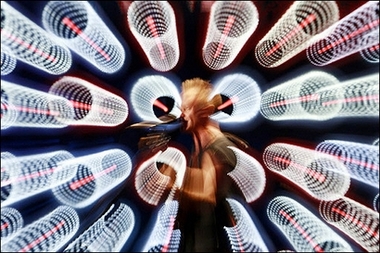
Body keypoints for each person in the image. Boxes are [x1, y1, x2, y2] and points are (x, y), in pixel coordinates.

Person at [175, 77, 247, 252]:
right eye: (181, 108)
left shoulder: (219, 147)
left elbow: (209, 194)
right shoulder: (202, 145)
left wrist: (172, 184)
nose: (182, 115)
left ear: (205, 111)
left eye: (188, 108)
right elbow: (205, 178)